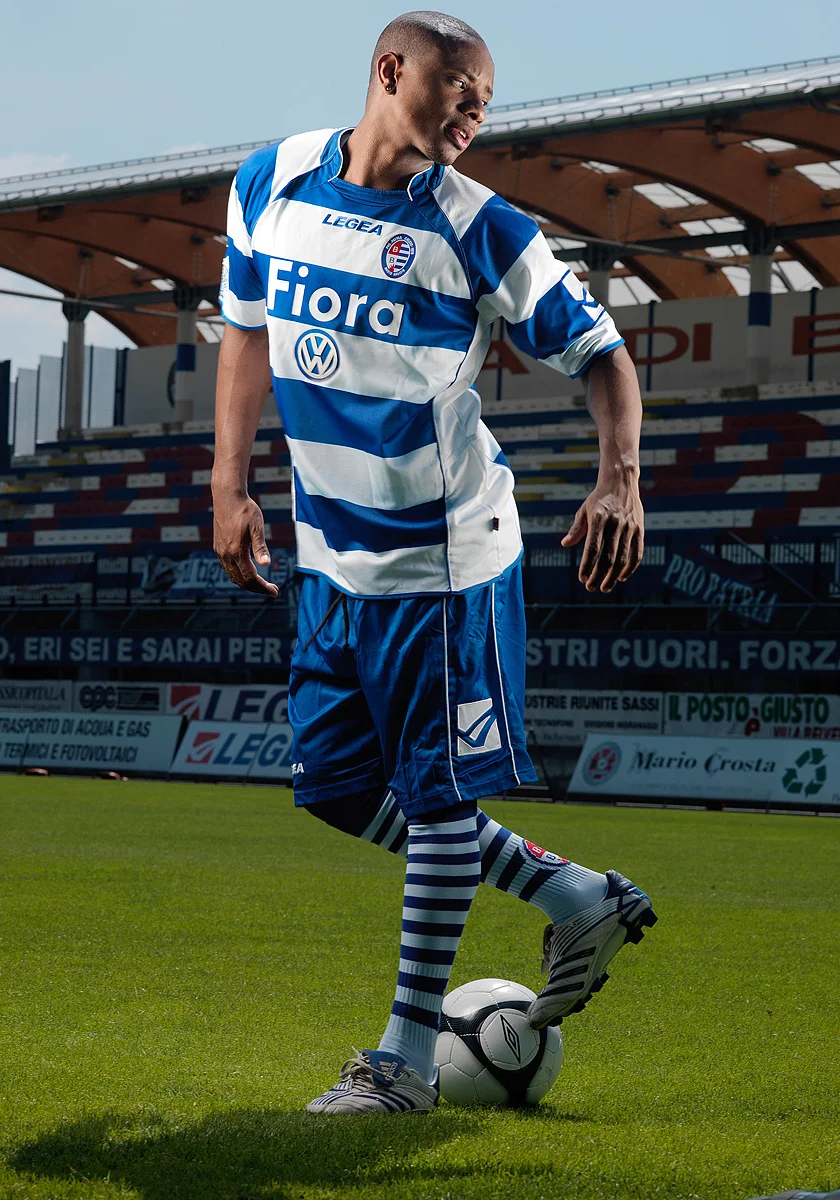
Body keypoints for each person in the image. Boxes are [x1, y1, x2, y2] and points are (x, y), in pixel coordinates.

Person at [213, 9, 655, 1115]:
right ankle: (572, 893)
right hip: (331, 560)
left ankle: (404, 1062)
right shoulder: (271, 180)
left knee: (441, 798)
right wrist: (227, 485)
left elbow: (604, 354)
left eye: (486, 104)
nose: (473, 115)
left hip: (445, 563)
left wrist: (620, 477)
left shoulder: (483, 227)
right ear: (391, 70)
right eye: (461, 88)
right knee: (336, 790)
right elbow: (246, 331)